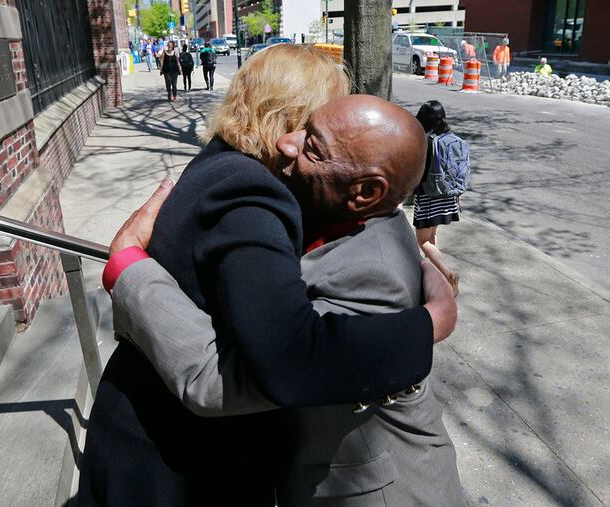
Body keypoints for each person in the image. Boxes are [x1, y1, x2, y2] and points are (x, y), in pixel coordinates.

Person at [78, 44, 457, 507]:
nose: (289, 144)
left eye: (313, 143)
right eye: (309, 126)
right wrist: (433, 321)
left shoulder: (354, 247)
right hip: (170, 452)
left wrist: (129, 264)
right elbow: (241, 371)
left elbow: (279, 363)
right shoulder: (253, 191)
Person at [412, 100, 466, 296]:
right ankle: (434, 276)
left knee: (423, 241)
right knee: (431, 235)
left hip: (429, 198)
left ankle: (448, 274)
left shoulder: (426, 140)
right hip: (449, 197)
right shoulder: (449, 137)